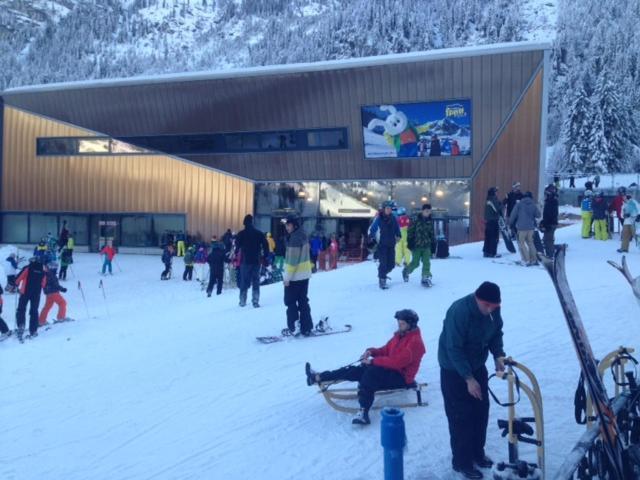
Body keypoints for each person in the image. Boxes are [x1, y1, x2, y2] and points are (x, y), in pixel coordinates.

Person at [305, 309, 426, 425]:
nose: (399, 326)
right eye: (399, 323)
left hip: (402, 377)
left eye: (402, 324)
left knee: (370, 374)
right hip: (390, 370)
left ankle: (363, 413)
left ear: (411, 325)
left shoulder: (415, 343)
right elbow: (385, 350)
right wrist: (371, 352)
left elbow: (396, 362)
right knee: (358, 369)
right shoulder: (400, 336)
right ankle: (319, 377)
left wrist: (373, 362)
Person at [439, 282, 506, 479]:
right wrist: (468, 378)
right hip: (454, 370)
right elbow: (454, 349)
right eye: (488, 306)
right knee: (462, 417)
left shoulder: (493, 310)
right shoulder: (459, 312)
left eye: (495, 307)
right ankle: (462, 462)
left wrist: (498, 355)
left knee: (480, 412)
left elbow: (496, 333)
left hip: (477, 366)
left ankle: (478, 453)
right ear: (478, 300)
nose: (491, 310)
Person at [282, 215, 313, 336]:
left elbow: (292, 261)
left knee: (290, 302)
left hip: (295, 276)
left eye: (288, 225)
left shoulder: (294, 239)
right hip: (304, 275)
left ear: (294, 225)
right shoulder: (303, 235)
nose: (287, 227)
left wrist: (287, 278)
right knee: (303, 301)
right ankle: (306, 326)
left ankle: (293, 327)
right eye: (286, 225)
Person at [235, 214, 269, 308]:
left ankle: (242, 301)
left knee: (244, 281)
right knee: (255, 281)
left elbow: (237, 246)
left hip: (245, 261)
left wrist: (235, 254)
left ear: (244, 223)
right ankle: (255, 300)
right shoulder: (259, 233)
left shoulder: (241, 234)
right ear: (252, 222)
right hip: (256, 260)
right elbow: (266, 245)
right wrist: (265, 256)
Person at [369, 201, 401, 289]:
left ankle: (381, 274)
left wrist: (398, 235)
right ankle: (382, 279)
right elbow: (373, 229)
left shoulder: (393, 218)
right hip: (382, 244)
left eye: (390, 209)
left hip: (391, 244)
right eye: (387, 208)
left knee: (391, 265)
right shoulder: (379, 218)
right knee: (383, 263)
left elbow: (397, 228)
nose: (389, 210)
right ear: (383, 209)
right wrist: (371, 238)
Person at [403, 203, 435, 286]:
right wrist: (409, 242)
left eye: (429, 211)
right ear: (422, 211)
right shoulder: (415, 219)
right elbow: (410, 231)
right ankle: (406, 271)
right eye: (426, 211)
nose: (427, 213)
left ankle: (425, 277)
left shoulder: (430, 221)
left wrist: (433, 245)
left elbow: (432, 234)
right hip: (417, 246)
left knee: (426, 262)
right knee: (415, 263)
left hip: (426, 246)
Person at [15, 257, 46, 338]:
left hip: (25, 291)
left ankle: (21, 325)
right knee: (34, 310)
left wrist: (16, 283)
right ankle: (33, 330)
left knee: (21, 309)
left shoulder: (28, 268)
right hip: (36, 293)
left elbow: (18, 278)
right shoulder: (43, 270)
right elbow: (44, 284)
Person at [508, 191, 541, 266]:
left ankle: (526, 260)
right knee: (530, 242)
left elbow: (513, 215)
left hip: (521, 228)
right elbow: (538, 215)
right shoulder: (533, 204)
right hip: (531, 228)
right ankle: (534, 259)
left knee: (521, 243)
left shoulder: (519, 204)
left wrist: (510, 223)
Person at [39, 261, 69, 326]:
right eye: (55, 266)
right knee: (62, 303)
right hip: (53, 292)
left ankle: (41, 321)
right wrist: (62, 289)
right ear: (51, 267)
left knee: (47, 306)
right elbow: (55, 285)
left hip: (48, 293)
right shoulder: (50, 274)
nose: (56, 268)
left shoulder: (46, 273)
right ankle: (61, 318)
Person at [539, 184, 559, 257]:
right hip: (551, 223)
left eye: (546, 193)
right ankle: (550, 254)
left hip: (550, 223)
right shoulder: (551, 201)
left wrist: (545, 224)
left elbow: (549, 214)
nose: (545, 195)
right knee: (547, 239)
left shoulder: (551, 202)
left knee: (548, 240)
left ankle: (550, 255)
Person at [483, 187, 502, 258]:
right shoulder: (493, 200)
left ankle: (486, 252)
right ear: (493, 193)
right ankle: (493, 253)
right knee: (494, 237)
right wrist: (501, 204)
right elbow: (497, 209)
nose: (497, 193)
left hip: (488, 221)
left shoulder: (488, 199)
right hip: (493, 221)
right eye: (496, 192)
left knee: (488, 237)